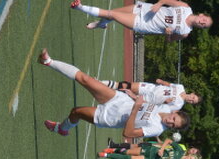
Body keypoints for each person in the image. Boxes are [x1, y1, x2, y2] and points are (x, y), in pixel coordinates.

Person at [38, 49, 189, 138]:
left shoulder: (156, 129)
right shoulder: (165, 108)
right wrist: (134, 97)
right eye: (173, 119)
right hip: (120, 100)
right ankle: (48, 62)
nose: (170, 122)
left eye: (173, 125)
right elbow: (146, 104)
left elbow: (128, 134)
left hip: (110, 117)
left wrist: (135, 108)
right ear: (175, 113)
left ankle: (62, 128)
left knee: (76, 112)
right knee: (86, 79)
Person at [71, 0, 212, 41]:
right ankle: (101, 24)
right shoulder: (185, 7)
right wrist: (159, 4)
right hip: (144, 9)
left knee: (111, 14)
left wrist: (168, 34)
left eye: (204, 25)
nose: (202, 22)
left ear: (201, 27)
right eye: (204, 19)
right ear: (201, 15)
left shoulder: (185, 32)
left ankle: (80, 7)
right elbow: (165, 1)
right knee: (111, 14)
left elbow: (169, 40)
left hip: (143, 23)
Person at [98, 138, 201, 159]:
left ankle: (106, 155)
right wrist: (162, 149)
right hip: (152, 151)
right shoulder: (180, 150)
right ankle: (113, 150)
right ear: (190, 156)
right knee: (127, 152)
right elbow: (168, 140)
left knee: (129, 158)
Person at [101, 79, 201, 111]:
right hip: (151, 88)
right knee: (127, 85)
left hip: (149, 99)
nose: (191, 99)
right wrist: (161, 81)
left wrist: (165, 102)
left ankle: (102, 92)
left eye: (192, 101)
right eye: (193, 97)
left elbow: (161, 109)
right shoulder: (181, 87)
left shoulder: (178, 105)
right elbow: (169, 85)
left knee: (123, 96)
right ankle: (100, 83)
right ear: (192, 93)